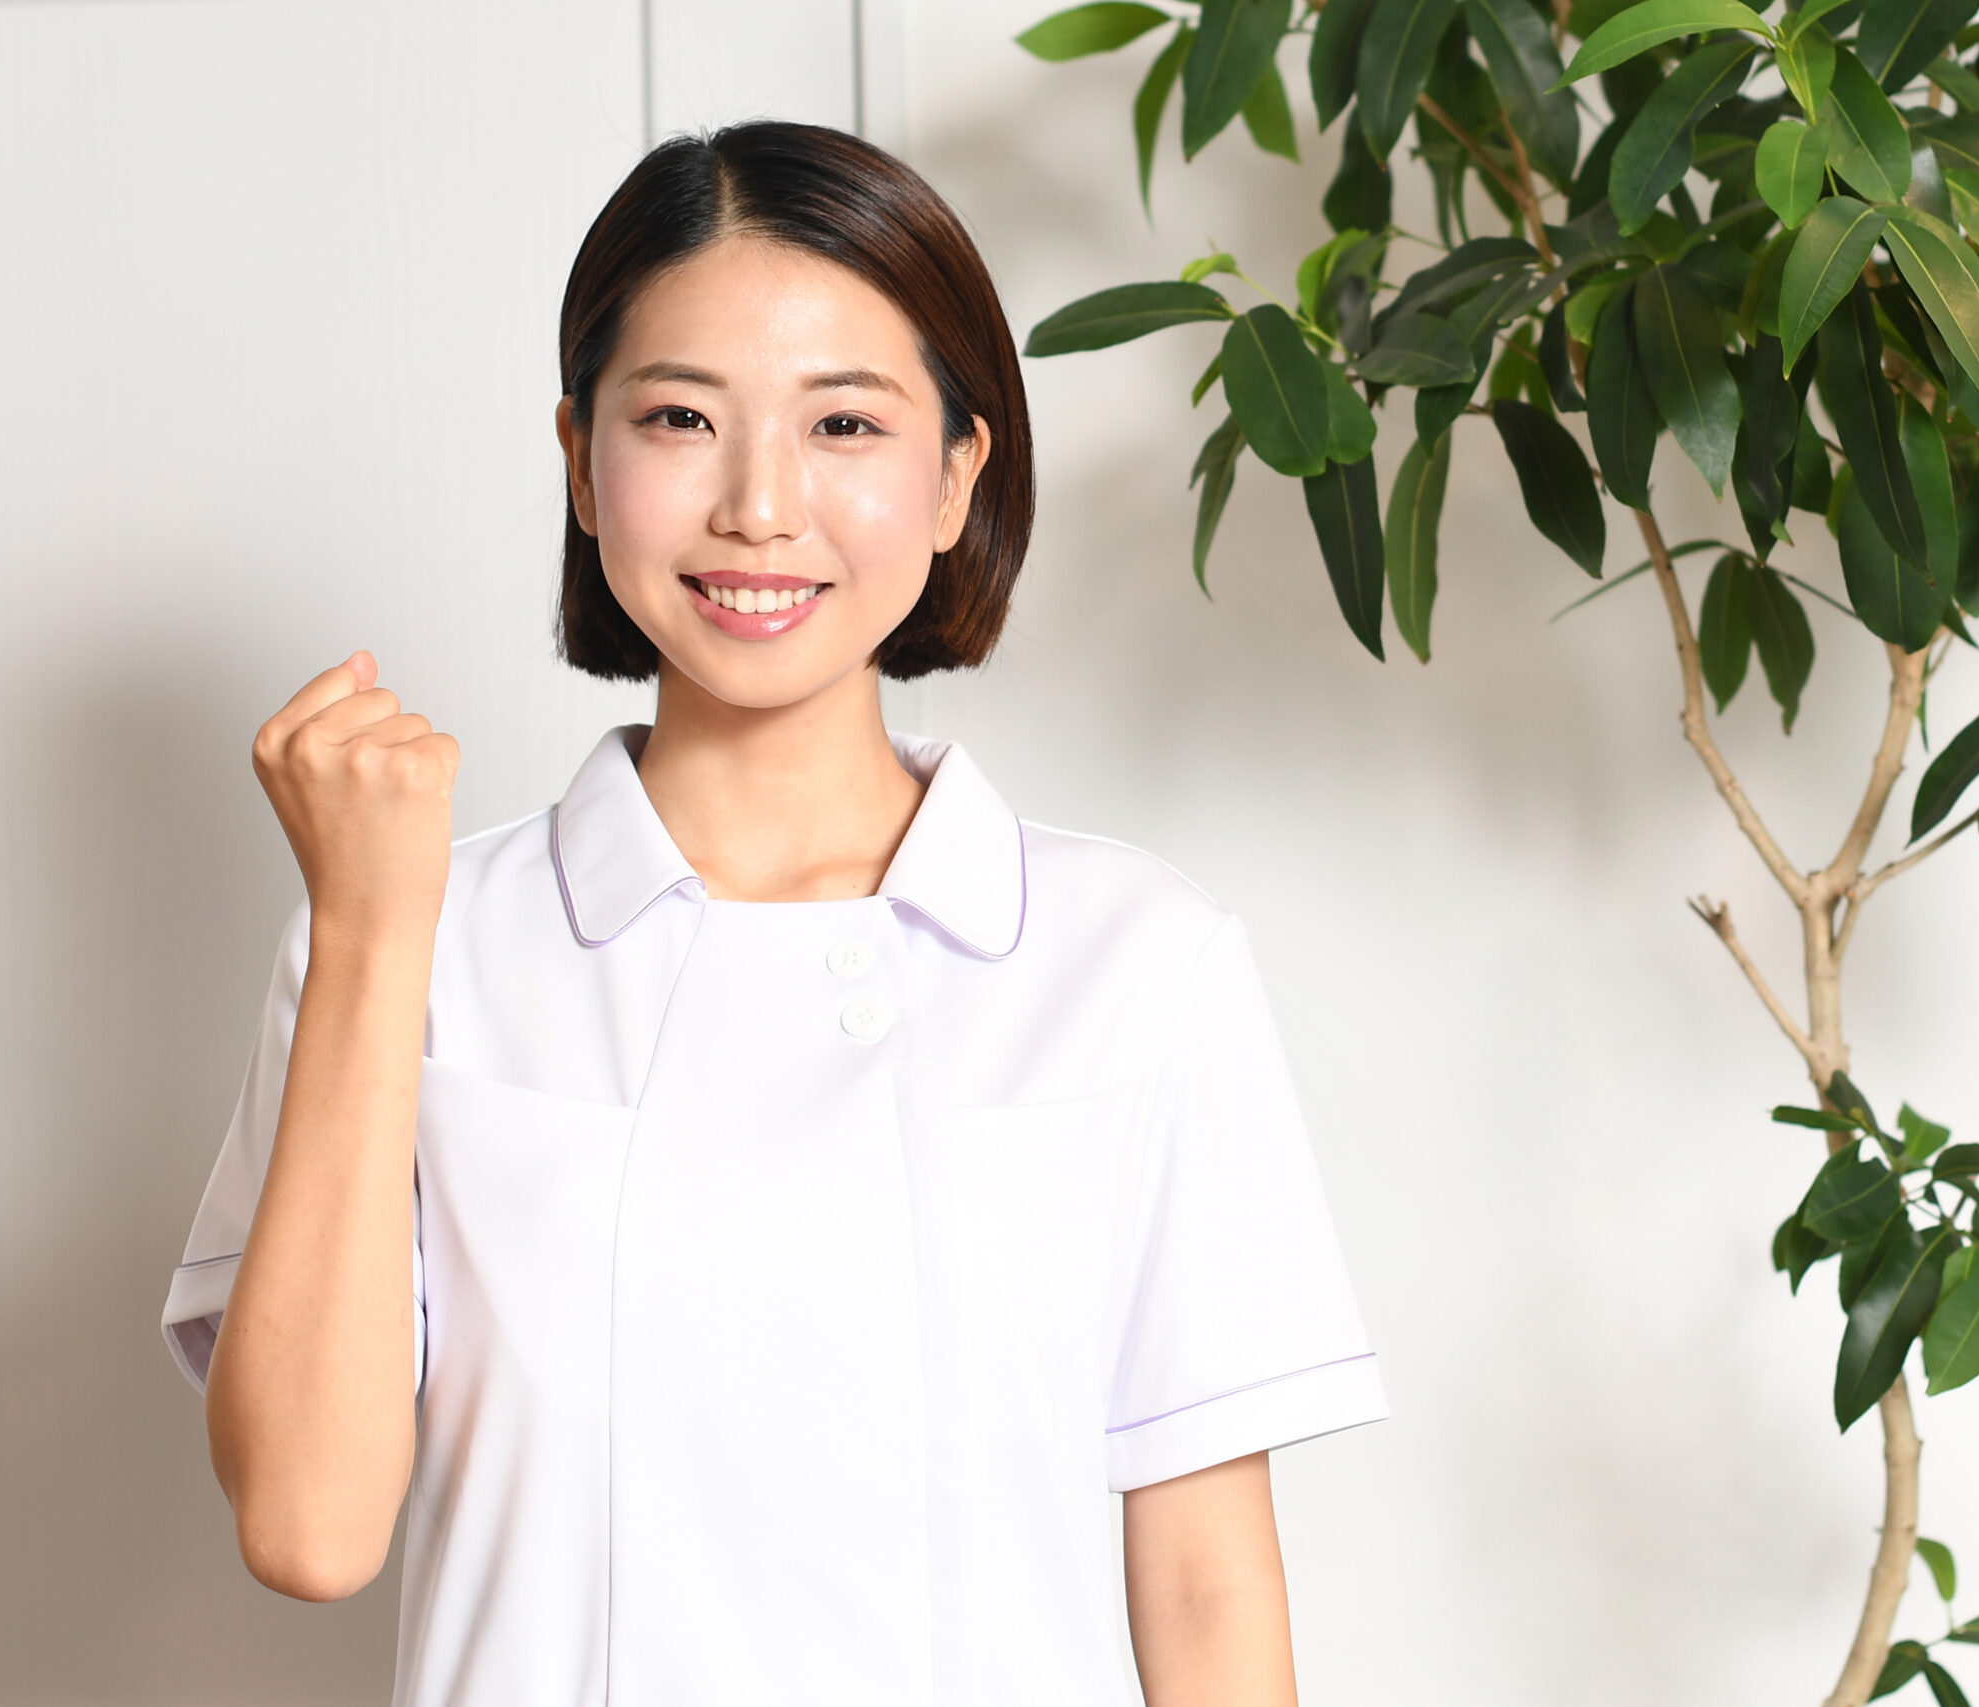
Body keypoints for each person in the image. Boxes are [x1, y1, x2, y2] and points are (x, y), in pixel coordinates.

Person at [162, 121, 1384, 1707]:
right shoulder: (417, 947)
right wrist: (371, 933)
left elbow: (1211, 1589)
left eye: (846, 427)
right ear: (583, 466)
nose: (759, 505)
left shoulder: (1135, 962)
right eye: (679, 417)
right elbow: (311, 1527)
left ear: (959, 474)